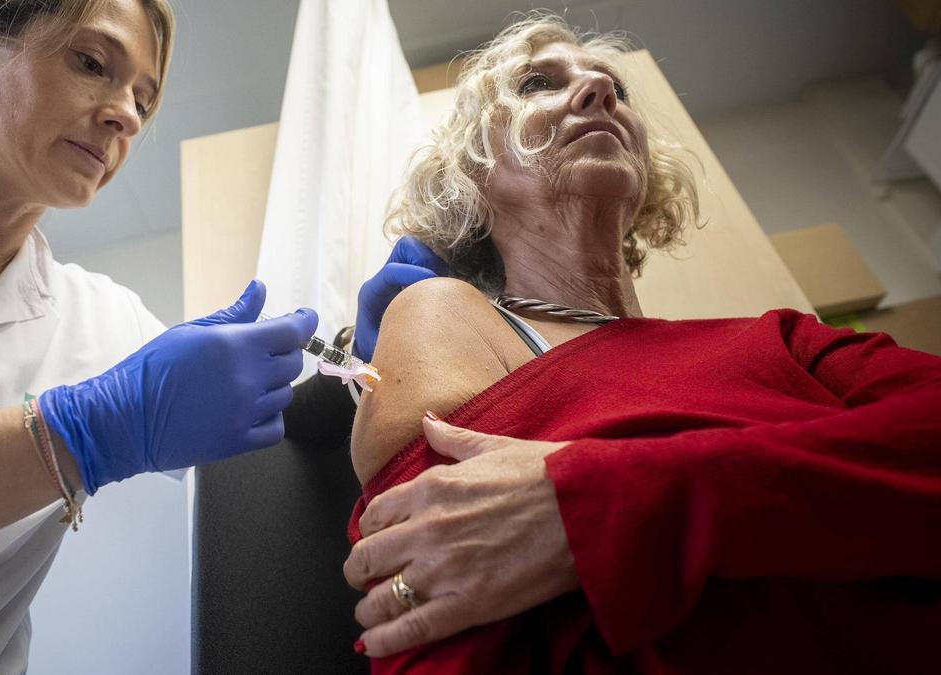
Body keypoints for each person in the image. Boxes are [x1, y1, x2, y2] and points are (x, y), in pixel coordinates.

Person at [0, 0, 444, 671]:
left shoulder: (104, 320)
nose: (124, 116)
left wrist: (362, 370)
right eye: (90, 62)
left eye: (143, 98)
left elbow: (270, 446)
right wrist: (72, 437)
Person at [341, 12, 941, 673]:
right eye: (540, 82)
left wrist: (607, 503)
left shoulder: (781, 338)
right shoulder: (443, 317)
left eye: (614, 89)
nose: (598, 92)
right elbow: (457, 639)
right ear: (472, 174)